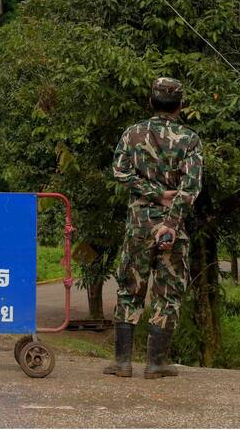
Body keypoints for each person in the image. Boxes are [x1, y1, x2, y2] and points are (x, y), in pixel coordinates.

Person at [103, 77, 203, 380]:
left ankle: (122, 362)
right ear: (181, 105)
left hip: (139, 225)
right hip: (171, 229)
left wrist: (150, 192)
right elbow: (191, 188)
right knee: (168, 293)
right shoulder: (189, 139)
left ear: (151, 102)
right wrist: (171, 221)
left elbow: (119, 172)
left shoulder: (133, 133)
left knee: (129, 289)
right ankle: (156, 363)